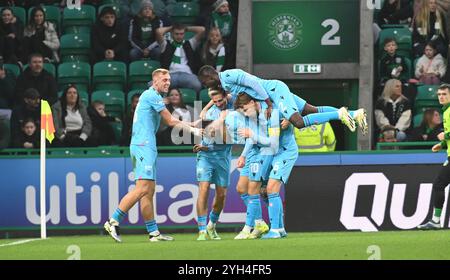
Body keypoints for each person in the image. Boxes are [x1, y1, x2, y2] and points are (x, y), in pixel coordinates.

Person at [104, 68, 202, 243]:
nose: (167, 82)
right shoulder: (152, 95)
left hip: (145, 146)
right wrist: (193, 129)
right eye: (164, 80)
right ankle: (113, 221)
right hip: (143, 146)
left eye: (169, 80)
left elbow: (170, 120)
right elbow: (170, 121)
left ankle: (153, 233)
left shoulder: (151, 96)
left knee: (148, 191)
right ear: (155, 81)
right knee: (142, 188)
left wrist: (190, 123)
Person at [198, 65, 368, 134]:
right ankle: (355, 114)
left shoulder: (229, 74)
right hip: (273, 93)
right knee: (312, 110)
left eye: (205, 82)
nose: (206, 85)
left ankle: (340, 114)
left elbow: (254, 83)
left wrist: (268, 102)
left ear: (210, 75)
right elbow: (220, 97)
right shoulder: (223, 84)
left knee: (299, 122)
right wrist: (206, 109)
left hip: (273, 91)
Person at [234, 92, 297, 239]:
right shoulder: (256, 117)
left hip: (285, 152)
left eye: (244, 109)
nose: (245, 114)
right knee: (265, 191)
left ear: (252, 102)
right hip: (272, 153)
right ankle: (280, 229)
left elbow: (272, 142)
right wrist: (244, 154)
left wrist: (290, 119)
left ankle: (273, 230)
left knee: (270, 189)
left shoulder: (273, 112)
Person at [191, 88, 232, 241]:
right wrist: (202, 145)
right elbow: (205, 133)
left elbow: (230, 140)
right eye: (214, 101)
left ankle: (211, 226)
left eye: (220, 100)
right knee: (204, 188)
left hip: (223, 157)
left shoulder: (233, 112)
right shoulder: (209, 113)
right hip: (205, 155)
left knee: (221, 195)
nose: (218, 103)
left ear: (226, 97)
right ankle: (201, 230)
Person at [418, 84, 450, 229]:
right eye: (439, 94)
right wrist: (442, 144)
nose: (441, 97)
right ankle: (436, 221)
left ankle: (436, 221)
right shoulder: (446, 111)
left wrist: (446, 135)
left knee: (438, 184)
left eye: (444, 94)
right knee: (439, 185)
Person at [156, 23, 205, 93]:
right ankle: (161, 103)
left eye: (181, 34)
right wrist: (171, 28)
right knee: (153, 85)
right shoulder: (166, 44)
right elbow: (158, 31)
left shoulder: (190, 43)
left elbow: (202, 30)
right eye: (176, 34)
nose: (179, 36)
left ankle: (198, 104)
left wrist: (186, 28)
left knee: (197, 85)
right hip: (170, 75)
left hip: (187, 74)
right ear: (172, 33)